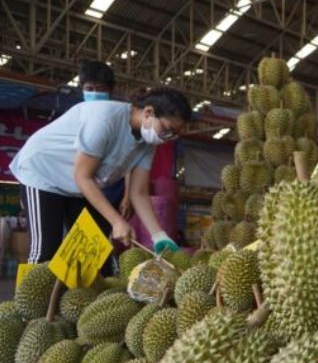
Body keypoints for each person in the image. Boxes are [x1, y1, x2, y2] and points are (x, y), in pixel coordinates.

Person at [10, 87, 188, 264]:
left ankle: (67, 292)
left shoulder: (148, 142)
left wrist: (159, 235)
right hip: (43, 172)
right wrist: (117, 221)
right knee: (45, 250)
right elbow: (83, 176)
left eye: (174, 134)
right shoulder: (106, 119)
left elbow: (139, 192)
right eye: (166, 129)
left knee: (90, 250)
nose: (168, 137)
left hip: (75, 185)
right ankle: (31, 291)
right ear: (148, 112)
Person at [79, 60, 133, 223]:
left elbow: (129, 163)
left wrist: (127, 196)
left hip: (111, 190)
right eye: (89, 89)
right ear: (81, 89)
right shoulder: (77, 115)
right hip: (80, 188)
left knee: (103, 235)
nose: (94, 93)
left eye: (100, 89)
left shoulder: (121, 119)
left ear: (111, 90)